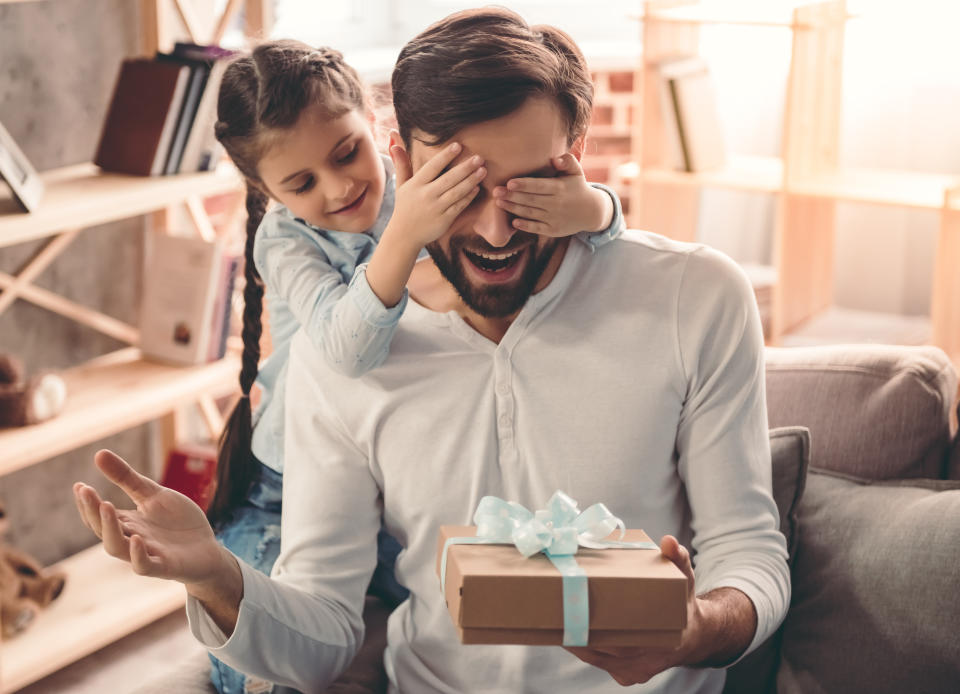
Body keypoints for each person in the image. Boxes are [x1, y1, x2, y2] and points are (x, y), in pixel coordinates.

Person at [74, 8, 790, 693]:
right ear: (404, 166)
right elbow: (323, 639)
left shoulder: (697, 297)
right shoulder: (345, 348)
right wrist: (216, 578)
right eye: (460, 187)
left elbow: (750, 553)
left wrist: (694, 629)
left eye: (526, 185)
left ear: (573, 157)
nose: (497, 231)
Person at [169, 38, 626, 694]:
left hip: (390, 488)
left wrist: (593, 207)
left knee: (478, 605)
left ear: (377, 130)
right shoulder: (286, 241)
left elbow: (585, 229)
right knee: (259, 660)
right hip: (290, 489)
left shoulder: (411, 187)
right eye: (301, 183)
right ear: (265, 192)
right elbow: (346, 351)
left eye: (346, 152)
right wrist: (408, 232)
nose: (339, 186)